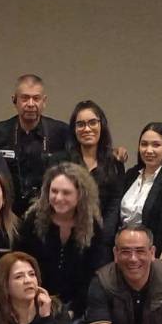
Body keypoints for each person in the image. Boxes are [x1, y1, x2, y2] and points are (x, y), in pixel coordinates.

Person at [15, 162, 109, 318]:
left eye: (66, 193)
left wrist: (74, 311)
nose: (58, 198)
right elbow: (20, 262)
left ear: (80, 194)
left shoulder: (92, 226)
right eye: (54, 191)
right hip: (34, 301)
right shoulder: (33, 220)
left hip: (76, 307)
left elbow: (92, 274)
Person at [0, 74, 73, 215]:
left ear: (44, 101)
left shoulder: (61, 132)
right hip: (6, 213)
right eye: (25, 98)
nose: (30, 104)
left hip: (49, 212)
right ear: (14, 100)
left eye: (36, 98)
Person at [53, 100, 126, 242]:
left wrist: (104, 237)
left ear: (101, 125)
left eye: (92, 122)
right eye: (80, 124)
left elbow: (115, 202)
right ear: (74, 129)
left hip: (103, 240)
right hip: (66, 237)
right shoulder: (60, 161)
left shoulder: (115, 162)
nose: (87, 129)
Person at [118, 122, 162, 264]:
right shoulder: (131, 175)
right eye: (144, 144)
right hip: (125, 253)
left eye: (156, 145)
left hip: (156, 257)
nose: (149, 150)